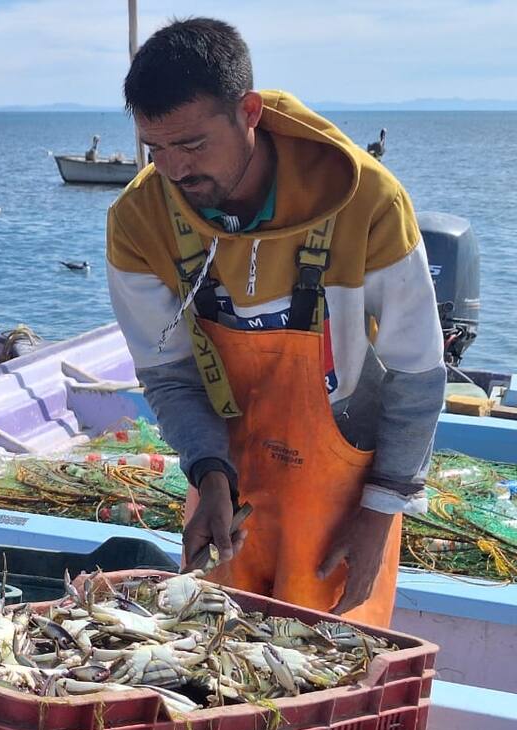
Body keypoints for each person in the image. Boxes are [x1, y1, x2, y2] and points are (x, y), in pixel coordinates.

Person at [105, 18, 445, 626]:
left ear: (249, 113)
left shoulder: (368, 203)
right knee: (213, 670)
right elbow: (170, 374)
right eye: (155, 149)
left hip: (342, 503)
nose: (175, 171)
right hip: (225, 484)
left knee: (335, 674)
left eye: (192, 145)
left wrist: (381, 512)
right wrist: (209, 474)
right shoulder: (138, 221)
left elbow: (416, 375)